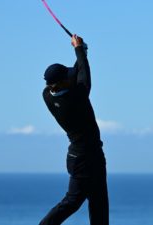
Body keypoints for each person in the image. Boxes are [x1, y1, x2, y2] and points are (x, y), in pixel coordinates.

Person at [39, 34, 109, 225]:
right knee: (72, 202)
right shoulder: (75, 100)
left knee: (99, 202)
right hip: (84, 158)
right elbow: (84, 77)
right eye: (66, 78)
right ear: (61, 83)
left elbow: (78, 73)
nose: (71, 78)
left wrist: (81, 50)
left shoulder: (47, 94)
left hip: (85, 155)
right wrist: (78, 50)